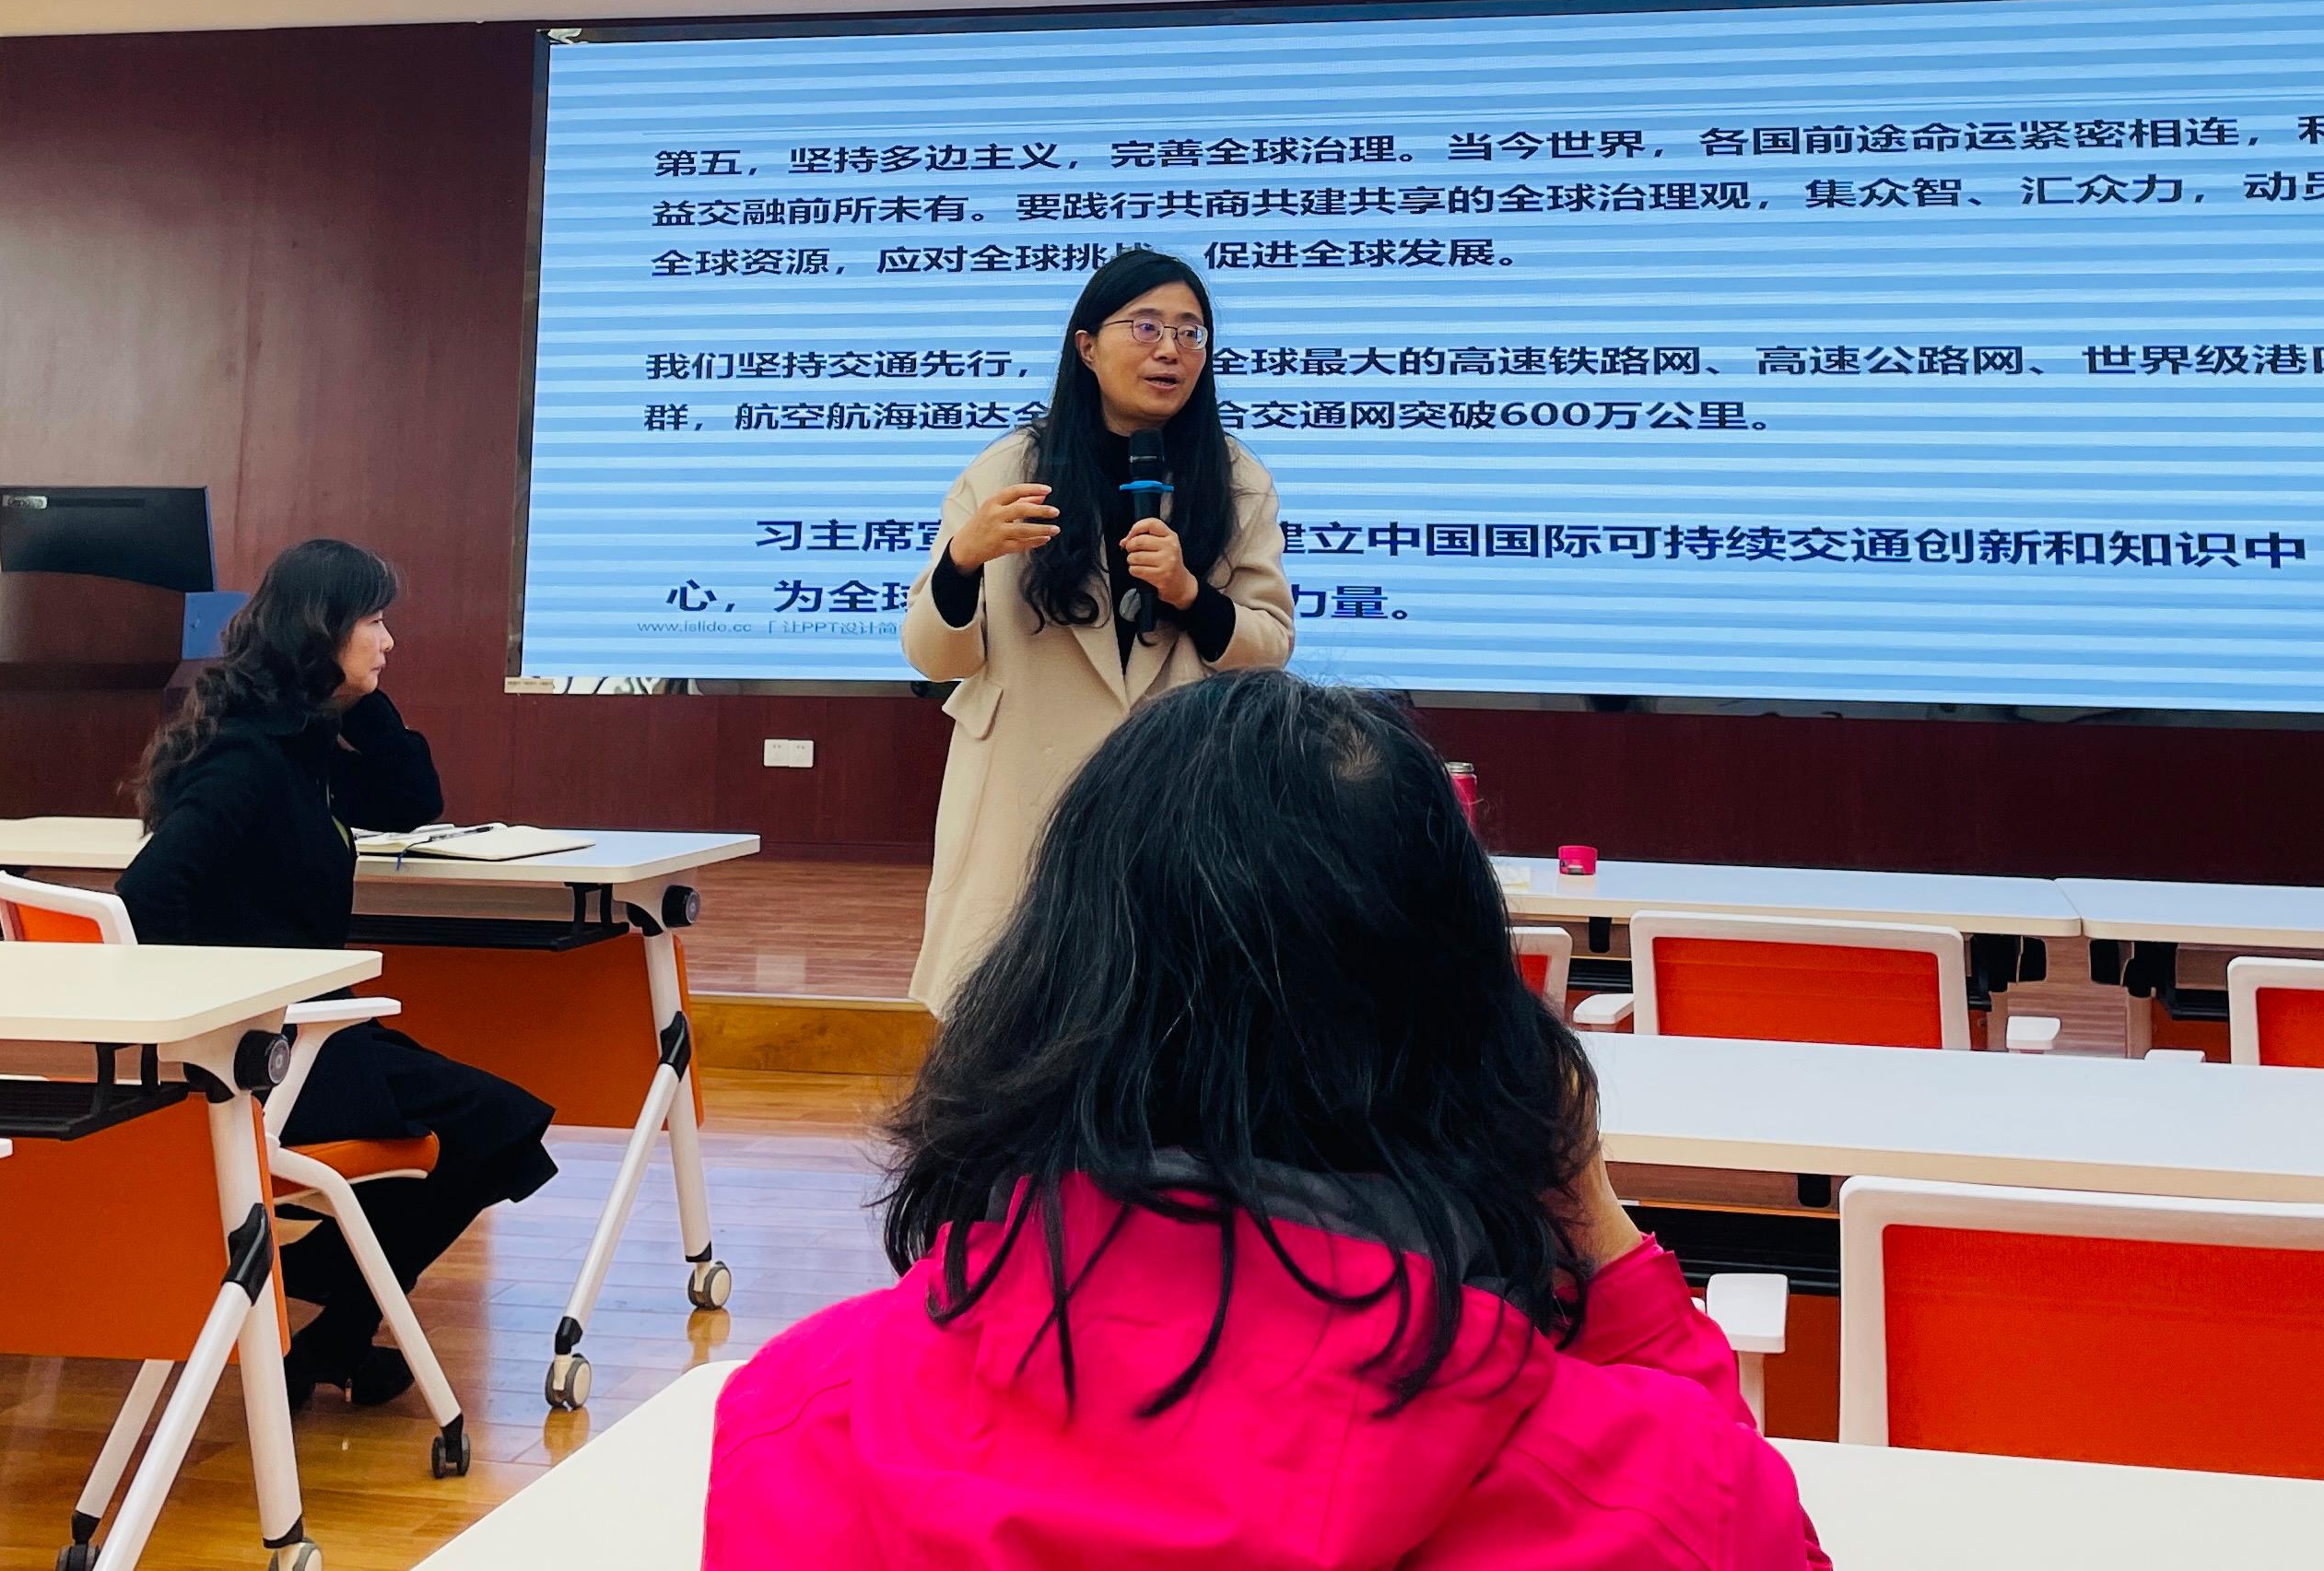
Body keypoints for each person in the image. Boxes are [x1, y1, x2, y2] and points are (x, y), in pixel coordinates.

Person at [708, 670, 1825, 1569]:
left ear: (1046, 995)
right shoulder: (1666, 1494)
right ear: (1482, 1038)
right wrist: (1608, 1250)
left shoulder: (805, 1427)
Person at [116, 537, 556, 1407]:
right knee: (497, 1125)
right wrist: (228, 1013)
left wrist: (363, 701)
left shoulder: (296, 742)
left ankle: (328, 1326)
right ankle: (329, 1310)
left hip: (311, 1037)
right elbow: (146, 898)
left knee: (494, 1127)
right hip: (266, 1053)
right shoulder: (249, 756)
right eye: (374, 622)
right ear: (323, 630)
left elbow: (410, 803)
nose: (389, 640)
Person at [898, 246, 1293, 1009]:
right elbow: (932, 654)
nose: (1170, 350)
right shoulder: (1009, 469)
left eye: (1190, 332)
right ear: (1086, 346)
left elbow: (1270, 645)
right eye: (1146, 326)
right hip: (1024, 795)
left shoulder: (1235, 479)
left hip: (1176, 795)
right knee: (1011, 1017)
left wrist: (1188, 592)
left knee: (1168, 1016)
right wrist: (964, 558)